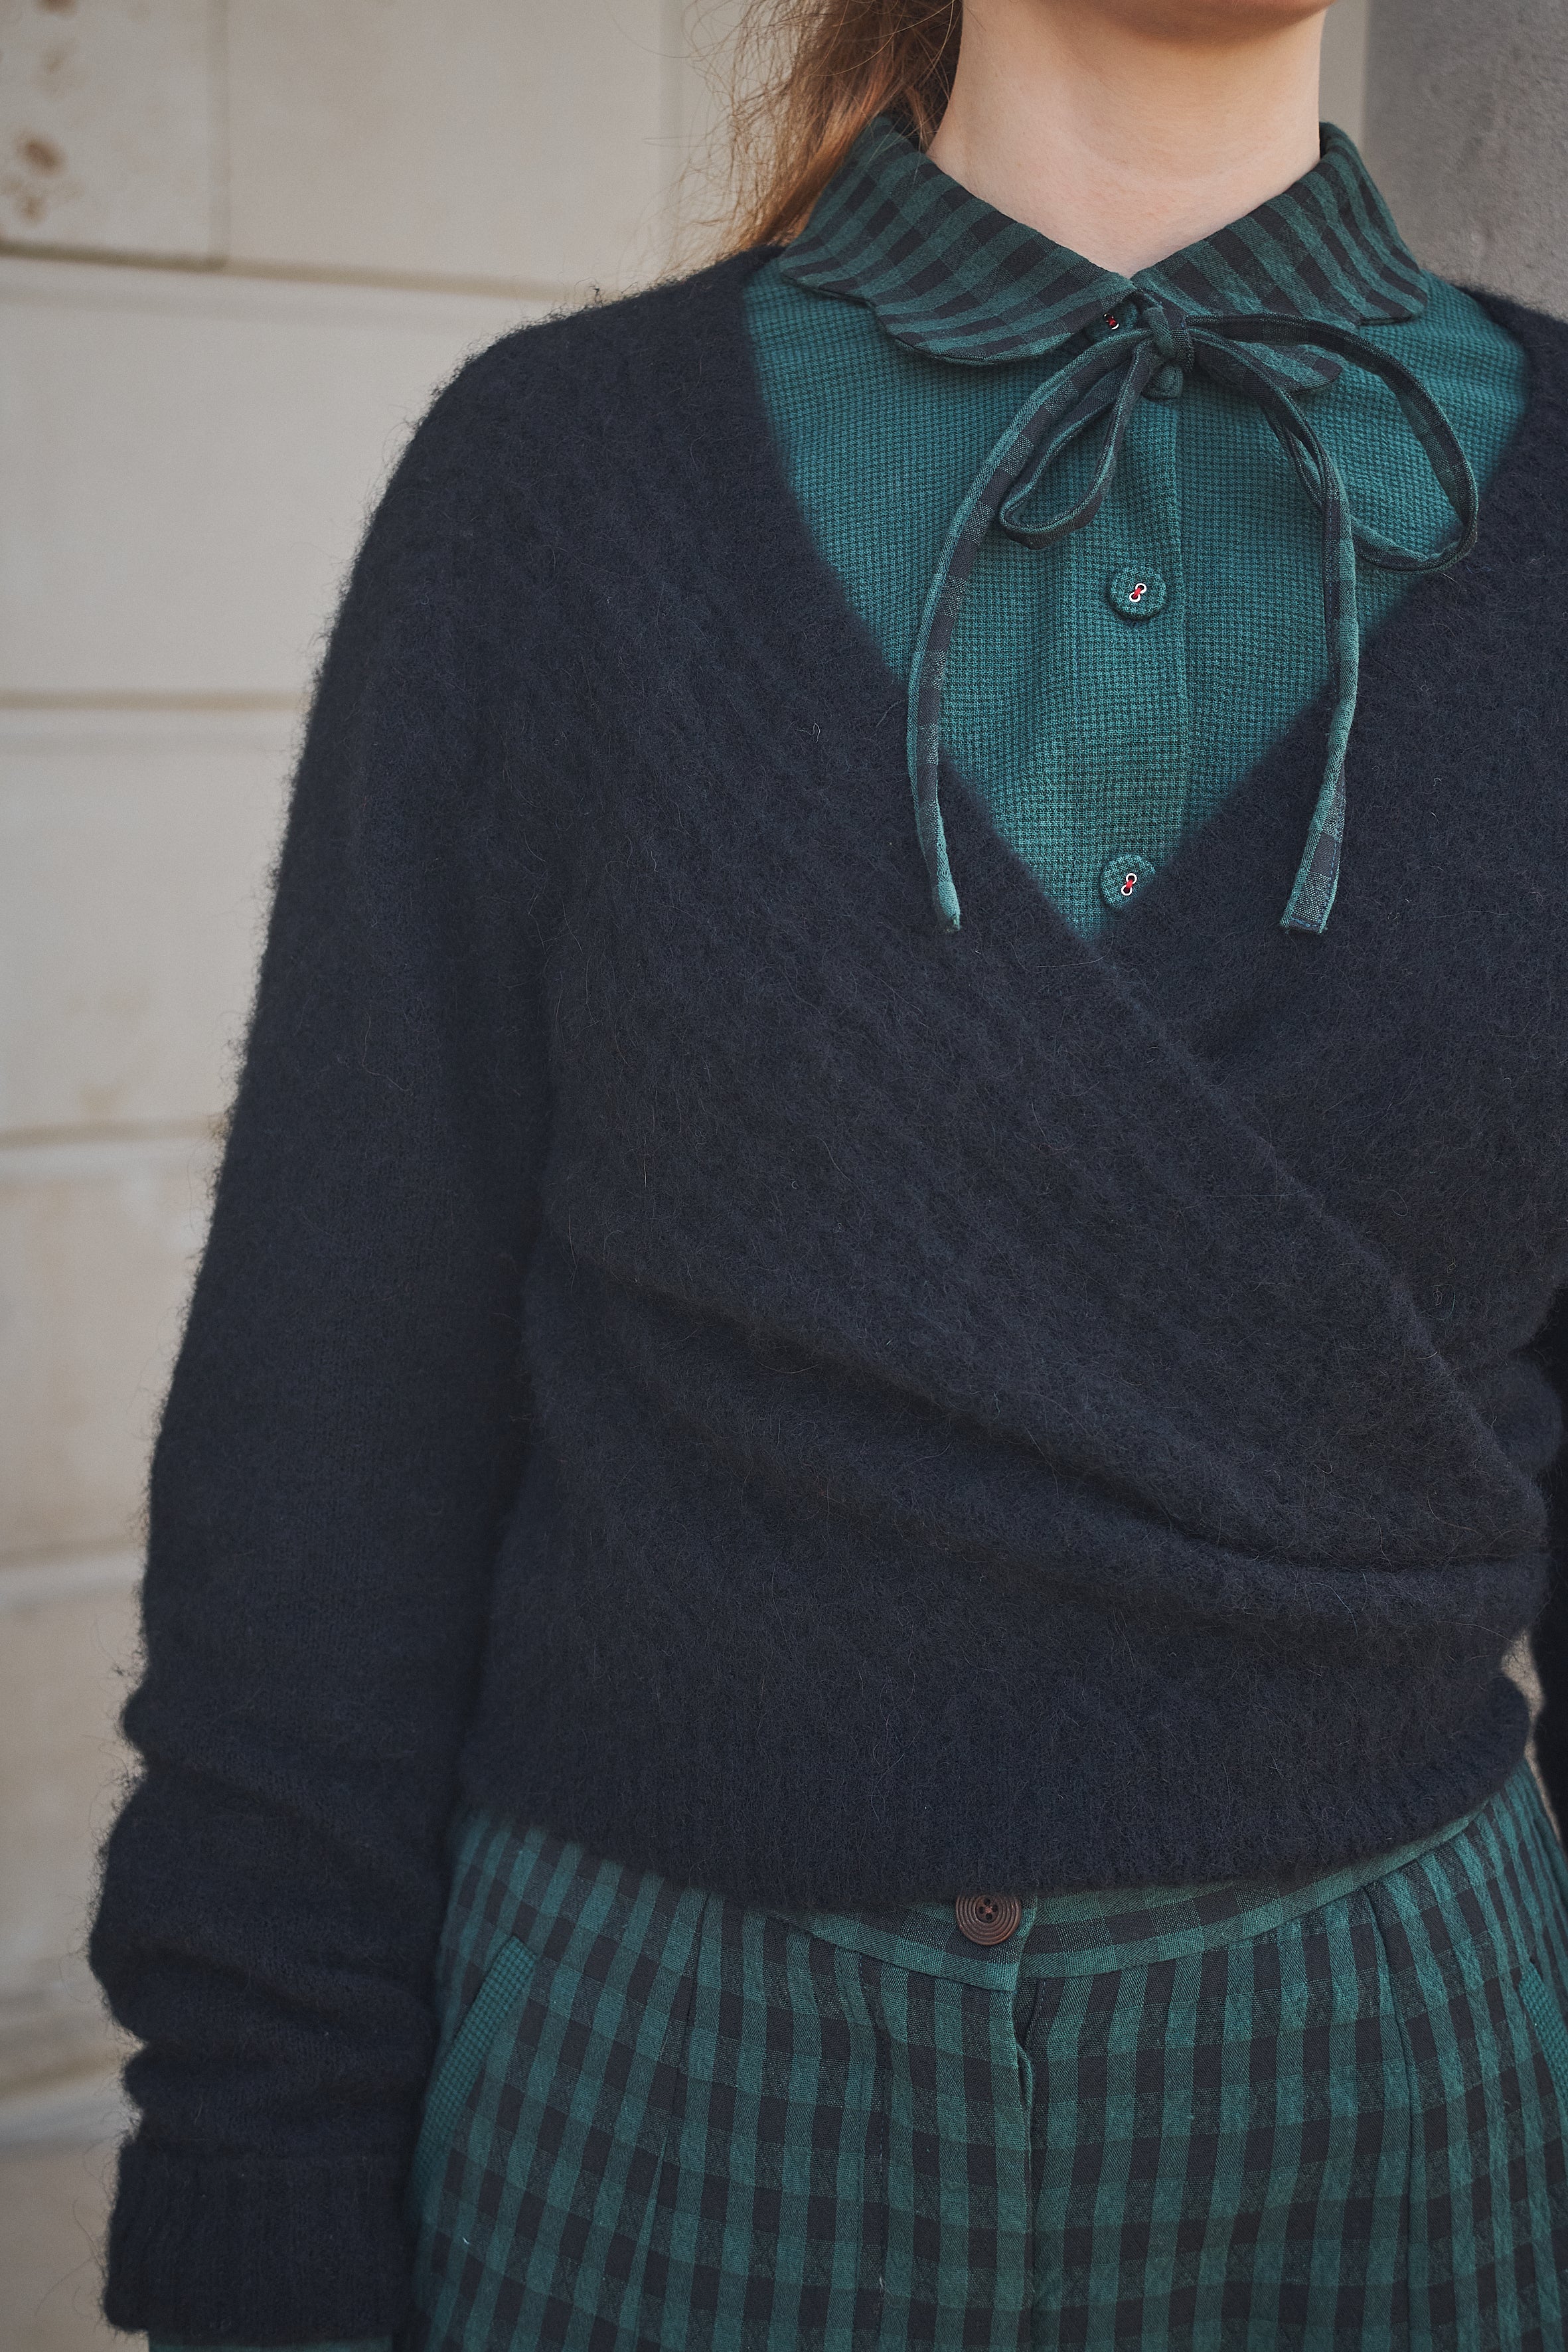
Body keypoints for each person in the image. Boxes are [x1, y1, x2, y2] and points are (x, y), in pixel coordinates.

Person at [91, 0, 1568, 2343]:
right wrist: (255, 2196)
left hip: (1390, 2086)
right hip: (654, 2068)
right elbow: (324, 1439)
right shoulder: (558, 488)